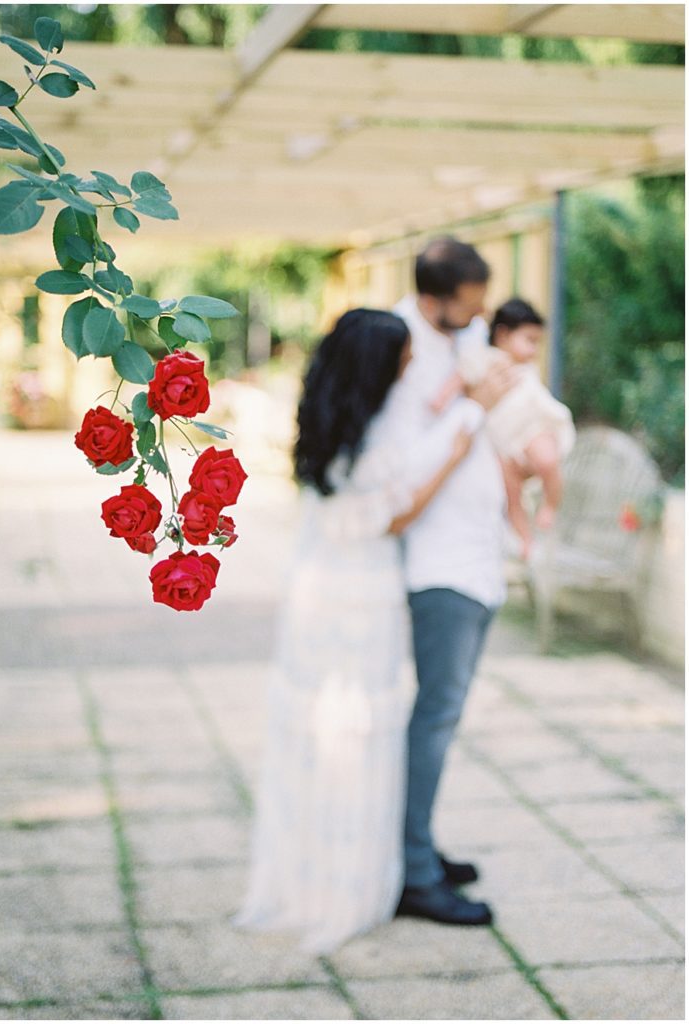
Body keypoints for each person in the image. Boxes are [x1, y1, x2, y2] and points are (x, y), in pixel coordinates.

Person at [235, 308, 488, 954]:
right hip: (361, 600)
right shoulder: (371, 437)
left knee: (320, 735)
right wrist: (452, 454)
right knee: (357, 733)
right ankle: (356, 879)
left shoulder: (327, 420)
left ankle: (328, 870)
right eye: (402, 355)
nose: (410, 363)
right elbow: (391, 519)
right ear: (379, 365)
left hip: (316, 593)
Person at [388, 236, 515, 926]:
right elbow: (402, 464)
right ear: (434, 298)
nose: (478, 315)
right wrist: (468, 404)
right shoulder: (399, 347)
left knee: (444, 715)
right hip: (438, 565)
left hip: (476, 557)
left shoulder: (455, 335)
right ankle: (411, 874)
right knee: (432, 720)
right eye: (467, 305)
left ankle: (420, 848)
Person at [431, 297, 575, 559]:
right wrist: (441, 399)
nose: (534, 350)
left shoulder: (525, 367)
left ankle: (551, 505)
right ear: (503, 334)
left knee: (547, 460)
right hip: (502, 441)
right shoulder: (484, 359)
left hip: (532, 427)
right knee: (510, 493)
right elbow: (460, 377)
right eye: (529, 340)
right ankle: (525, 540)